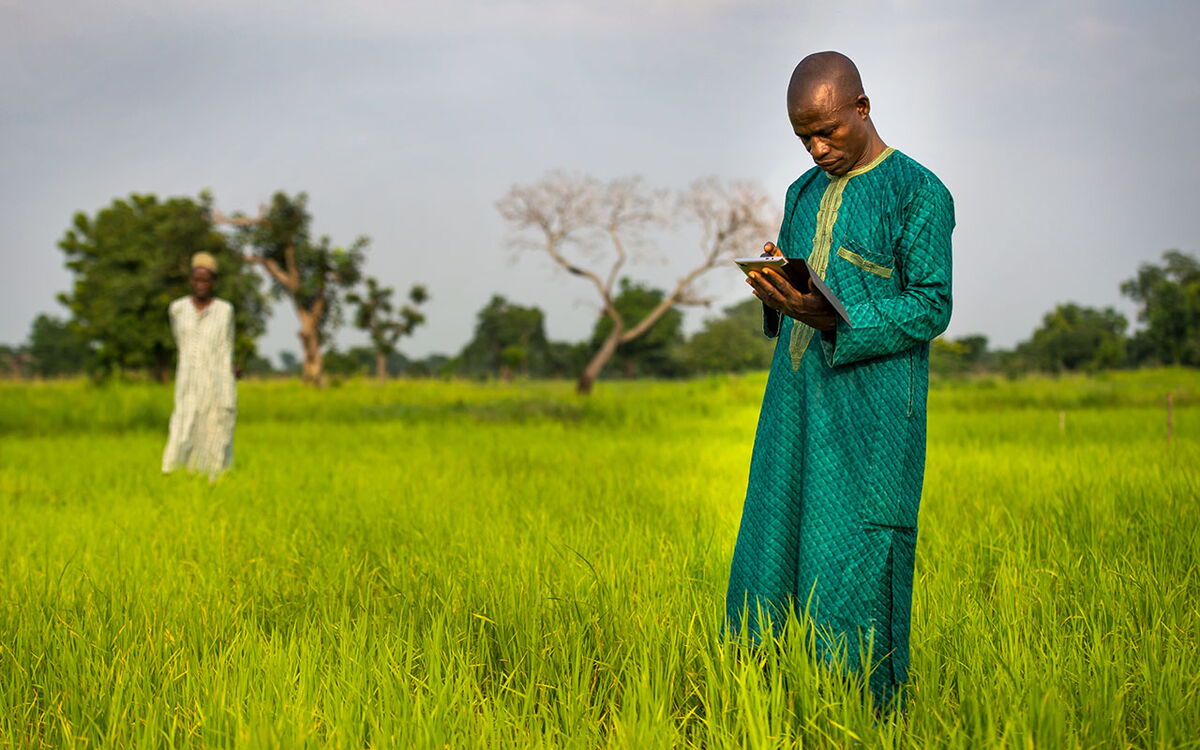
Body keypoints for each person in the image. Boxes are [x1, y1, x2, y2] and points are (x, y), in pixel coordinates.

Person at [725, 51, 954, 709]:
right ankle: (768, 705)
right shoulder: (801, 194)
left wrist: (839, 317)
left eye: (829, 131)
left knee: (855, 562)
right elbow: (808, 293)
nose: (818, 148)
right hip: (793, 404)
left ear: (863, 108)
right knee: (771, 549)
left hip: (871, 417)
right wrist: (778, 291)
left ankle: (864, 716)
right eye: (804, 137)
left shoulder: (919, 193)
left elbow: (930, 304)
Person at [162, 252, 237, 478]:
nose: (200, 284)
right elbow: (180, 341)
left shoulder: (225, 310)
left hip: (217, 384)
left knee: (215, 431)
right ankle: (172, 476)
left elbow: (227, 345)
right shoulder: (178, 309)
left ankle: (213, 481)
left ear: (214, 281)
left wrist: (230, 370)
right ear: (190, 281)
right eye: (196, 279)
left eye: (206, 280)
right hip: (188, 383)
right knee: (182, 429)